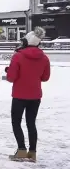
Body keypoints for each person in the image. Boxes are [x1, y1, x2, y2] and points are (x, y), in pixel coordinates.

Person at [6, 27, 50, 162]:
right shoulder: (44, 58)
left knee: (16, 122)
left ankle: (21, 150)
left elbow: (11, 78)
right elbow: (45, 77)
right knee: (31, 123)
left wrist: (9, 71)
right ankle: (32, 153)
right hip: (35, 96)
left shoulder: (18, 56)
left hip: (19, 95)